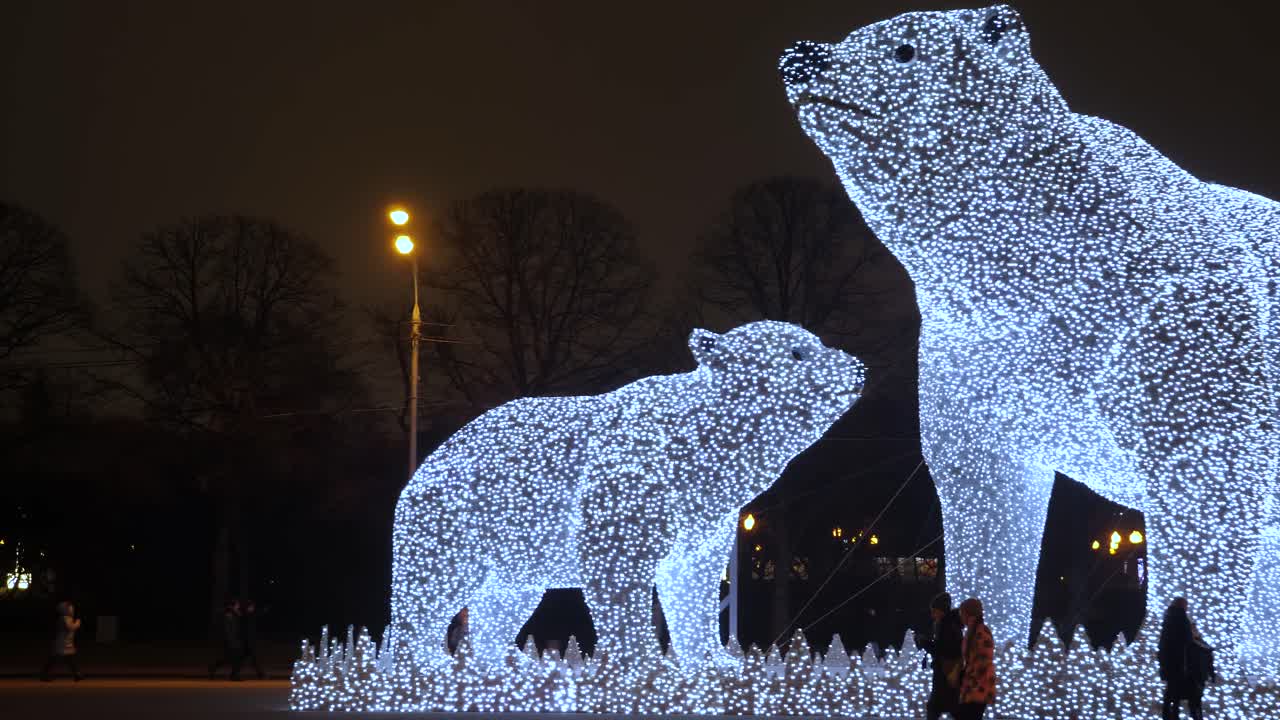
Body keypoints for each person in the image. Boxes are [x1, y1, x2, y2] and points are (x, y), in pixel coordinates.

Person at [1158, 597, 1214, 720]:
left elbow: (1164, 644)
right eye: (1186, 605)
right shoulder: (1181, 619)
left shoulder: (1168, 619)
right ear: (1183, 606)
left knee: (1172, 696)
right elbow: (1187, 642)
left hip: (1171, 664)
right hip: (1182, 666)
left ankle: (1170, 715)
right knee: (1187, 698)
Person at [916, 592, 964, 720]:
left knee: (935, 707)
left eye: (934, 611)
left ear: (942, 611)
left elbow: (942, 650)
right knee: (951, 706)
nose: (932, 615)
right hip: (950, 672)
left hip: (945, 672)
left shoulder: (945, 626)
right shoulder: (951, 624)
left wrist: (925, 643)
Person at [956, 597, 996, 720]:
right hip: (974, 686)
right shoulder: (973, 630)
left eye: (961, 613)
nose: (960, 616)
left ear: (967, 613)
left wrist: (967, 676)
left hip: (977, 686)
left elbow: (983, 661)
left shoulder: (980, 632)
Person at [39, 601, 84, 682]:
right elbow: (70, 627)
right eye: (70, 609)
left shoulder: (67, 618)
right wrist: (77, 623)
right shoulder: (65, 618)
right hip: (62, 642)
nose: (72, 610)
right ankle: (44, 674)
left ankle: (77, 674)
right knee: (56, 659)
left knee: (67, 659)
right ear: (65, 610)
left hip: (66, 642)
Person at [209, 598, 243, 680]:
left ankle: (214, 668)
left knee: (230, 658)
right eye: (237, 604)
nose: (238, 606)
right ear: (232, 605)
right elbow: (227, 629)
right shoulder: (228, 614)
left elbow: (238, 625)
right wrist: (230, 640)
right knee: (235, 658)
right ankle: (234, 675)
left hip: (235, 640)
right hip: (231, 640)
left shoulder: (235, 613)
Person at [239, 599, 265, 679]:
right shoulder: (246, 616)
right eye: (252, 607)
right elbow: (247, 630)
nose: (253, 608)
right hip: (247, 641)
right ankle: (260, 674)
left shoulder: (249, 615)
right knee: (253, 658)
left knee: (247, 659)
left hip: (249, 641)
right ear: (248, 607)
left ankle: (260, 674)